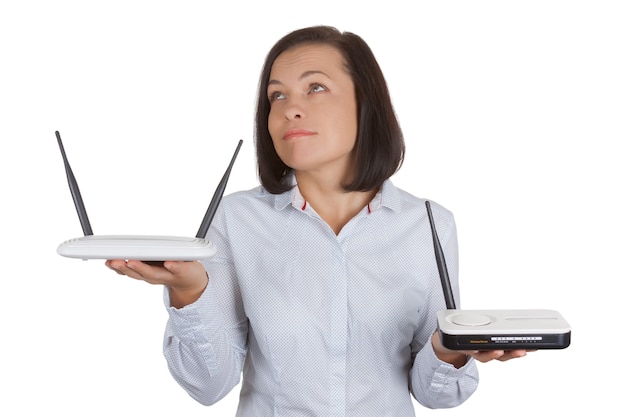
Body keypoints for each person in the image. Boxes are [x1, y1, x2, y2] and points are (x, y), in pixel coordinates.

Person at [106, 25, 528, 416]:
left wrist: (450, 349)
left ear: (367, 104)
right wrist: (189, 291)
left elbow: (437, 395)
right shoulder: (235, 220)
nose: (291, 109)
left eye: (316, 88)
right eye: (278, 96)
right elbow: (208, 386)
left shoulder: (430, 224)